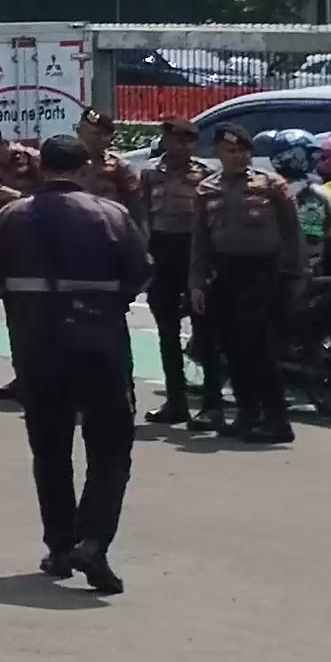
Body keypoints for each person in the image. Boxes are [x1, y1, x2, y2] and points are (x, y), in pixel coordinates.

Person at [0, 131, 146, 595]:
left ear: (42, 167)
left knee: (50, 449)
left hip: (37, 345)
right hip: (100, 343)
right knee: (110, 448)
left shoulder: (11, 215)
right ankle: (93, 543)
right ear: (84, 169)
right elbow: (138, 273)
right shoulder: (111, 214)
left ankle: (59, 547)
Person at [192, 123, 307, 445]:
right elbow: (200, 241)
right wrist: (196, 282)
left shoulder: (271, 185)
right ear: (218, 152)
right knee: (232, 349)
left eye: (243, 151)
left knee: (261, 349)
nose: (238, 157)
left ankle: (277, 420)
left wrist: (295, 276)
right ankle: (247, 414)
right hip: (226, 274)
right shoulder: (206, 189)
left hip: (265, 275)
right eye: (230, 151)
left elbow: (293, 234)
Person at [131, 116, 210, 428]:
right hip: (162, 253)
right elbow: (143, 215)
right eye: (176, 140)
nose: (182, 147)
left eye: (188, 141)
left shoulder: (203, 175)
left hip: (193, 252)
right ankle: (176, 402)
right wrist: (144, 251)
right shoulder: (150, 174)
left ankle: (211, 405)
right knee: (167, 330)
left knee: (205, 330)